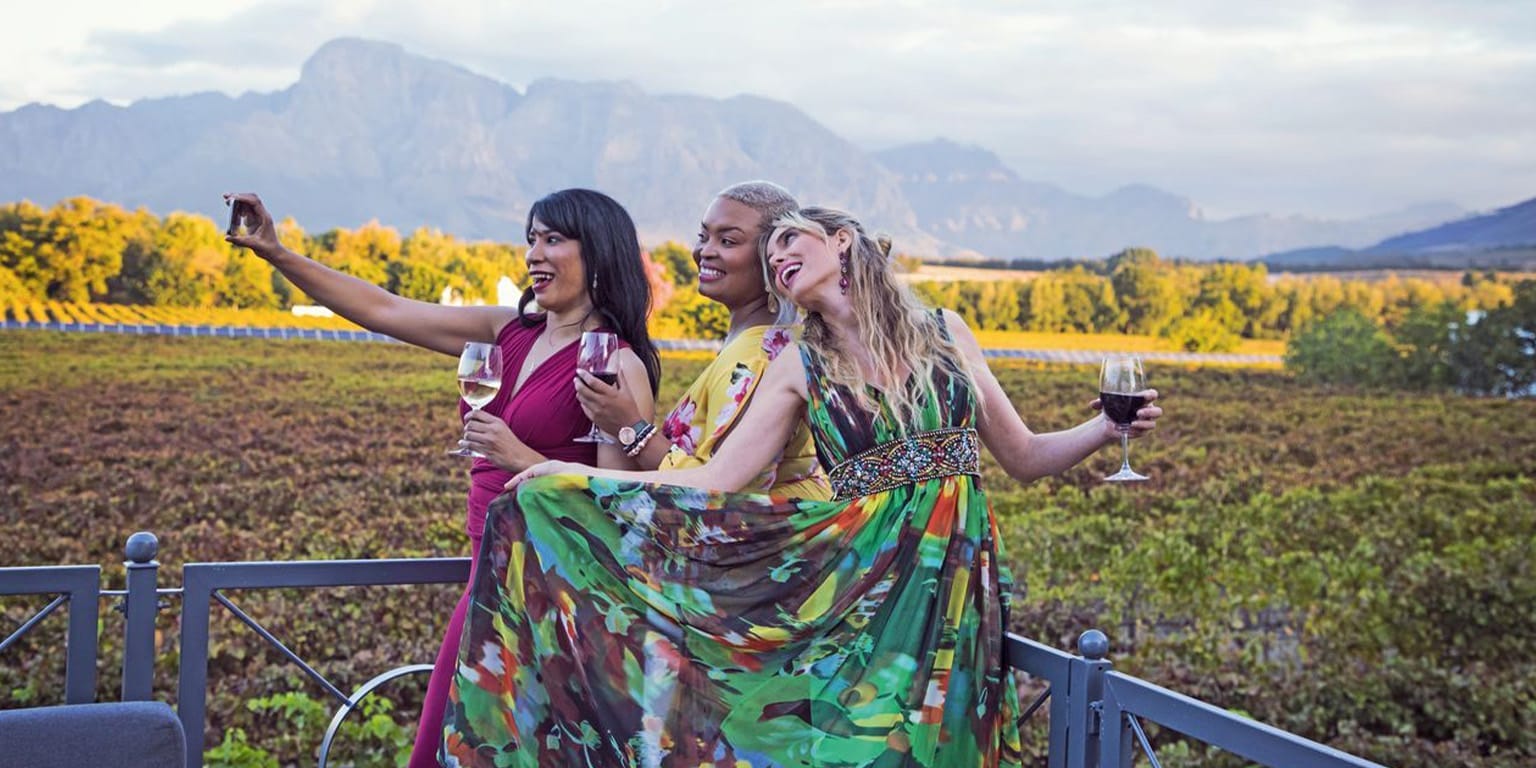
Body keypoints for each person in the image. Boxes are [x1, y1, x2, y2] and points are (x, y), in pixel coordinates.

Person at [440, 206, 1163, 766]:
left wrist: (1105, 428)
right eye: (773, 249)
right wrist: (567, 473)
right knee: (853, 743)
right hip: (850, 585)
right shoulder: (794, 363)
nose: (779, 257)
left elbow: (1026, 455)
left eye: (794, 242)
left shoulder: (947, 332)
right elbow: (718, 482)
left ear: (842, 242)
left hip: (953, 580)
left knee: (937, 745)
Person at [221, 189, 661, 768]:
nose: (535, 253)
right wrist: (276, 253)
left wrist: (520, 456)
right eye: (531, 238)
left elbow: (618, 511)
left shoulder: (614, 362)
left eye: (554, 239)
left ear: (599, 251)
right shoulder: (507, 330)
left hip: (551, 587)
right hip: (489, 562)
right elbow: (383, 309)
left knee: (453, 740)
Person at [574, 181, 829, 498]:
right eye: (703, 236)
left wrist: (630, 427)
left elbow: (723, 494)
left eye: (727, 241)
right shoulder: (760, 342)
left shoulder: (756, 359)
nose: (705, 251)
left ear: (772, 259)